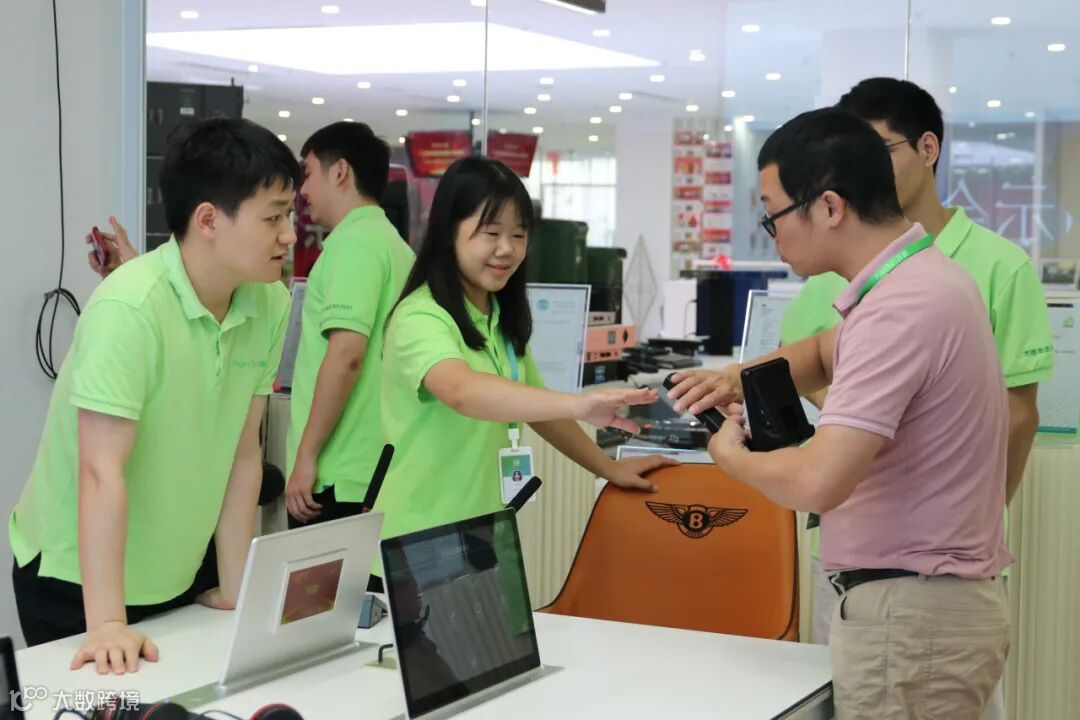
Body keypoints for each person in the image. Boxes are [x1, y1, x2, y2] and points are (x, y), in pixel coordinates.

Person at [669, 107, 1011, 718]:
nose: (772, 234)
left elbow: (818, 481)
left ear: (829, 207)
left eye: (773, 214)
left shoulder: (899, 309)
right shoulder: (917, 280)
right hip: (921, 608)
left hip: (911, 615)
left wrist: (729, 456)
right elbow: (827, 350)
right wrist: (734, 379)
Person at [778, 79, 1051, 717]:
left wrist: (959, 523)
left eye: (877, 149)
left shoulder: (995, 267)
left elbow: (1016, 416)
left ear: (928, 148)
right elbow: (815, 377)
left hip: (938, 567)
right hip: (846, 553)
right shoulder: (830, 270)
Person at [9, 118, 299, 674]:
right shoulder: (130, 308)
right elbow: (101, 472)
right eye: (273, 217)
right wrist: (107, 623)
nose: (288, 234)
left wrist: (236, 586)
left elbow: (242, 455)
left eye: (290, 214)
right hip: (79, 580)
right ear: (208, 219)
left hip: (175, 569)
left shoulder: (269, 303)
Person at [373, 156, 676, 551]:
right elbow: (461, 390)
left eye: (518, 235)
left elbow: (539, 408)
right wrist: (579, 404)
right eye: (491, 233)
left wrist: (607, 467)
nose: (507, 249)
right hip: (419, 539)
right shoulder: (420, 316)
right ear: (448, 231)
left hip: (484, 533)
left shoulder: (497, 315)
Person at [284, 122, 415, 527]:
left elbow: (346, 357)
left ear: (339, 171)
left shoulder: (353, 245)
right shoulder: (394, 245)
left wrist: (307, 456)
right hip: (373, 471)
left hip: (337, 477)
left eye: (307, 173)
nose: (302, 190)